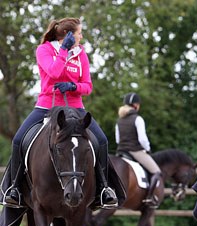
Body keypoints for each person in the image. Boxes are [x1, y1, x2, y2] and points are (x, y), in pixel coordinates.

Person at [0, 17, 118, 209]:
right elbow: (54, 73)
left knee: (102, 141)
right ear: (68, 35)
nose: (81, 36)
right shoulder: (44, 50)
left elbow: (88, 87)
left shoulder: (81, 55)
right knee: (18, 140)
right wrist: (64, 50)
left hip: (76, 107)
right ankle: (14, 189)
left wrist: (73, 86)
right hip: (47, 105)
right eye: (79, 33)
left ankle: (103, 189)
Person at [115, 92, 162, 208]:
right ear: (135, 105)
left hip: (121, 152)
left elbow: (117, 139)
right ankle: (150, 198)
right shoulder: (138, 119)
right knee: (156, 171)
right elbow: (142, 139)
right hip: (135, 151)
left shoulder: (119, 120)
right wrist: (148, 149)